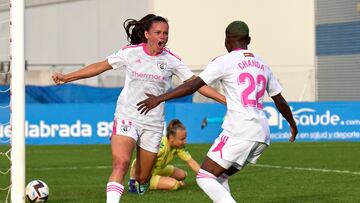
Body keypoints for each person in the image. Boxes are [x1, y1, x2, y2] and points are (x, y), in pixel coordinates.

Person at [51, 14, 226, 203]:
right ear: (146, 34)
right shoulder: (131, 52)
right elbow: (100, 66)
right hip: (128, 116)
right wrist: (67, 77)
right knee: (121, 164)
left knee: (144, 178)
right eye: (158, 32)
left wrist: (225, 100)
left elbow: (197, 84)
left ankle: (139, 179)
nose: (163, 37)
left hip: (153, 123)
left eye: (165, 33)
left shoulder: (172, 60)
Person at [137, 20, 298, 203]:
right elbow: (280, 100)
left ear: (227, 41)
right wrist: (292, 124)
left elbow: (192, 86)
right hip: (262, 134)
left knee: (204, 177)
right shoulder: (261, 63)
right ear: (249, 39)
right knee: (219, 177)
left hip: (240, 130)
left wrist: (159, 98)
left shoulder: (225, 61)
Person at [128, 119, 200, 192]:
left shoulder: (179, 147)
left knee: (183, 175)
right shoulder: (160, 147)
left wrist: (205, 177)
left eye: (185, 138)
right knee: (174, 185)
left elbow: (191, 162)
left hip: (159, 170)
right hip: (146, 176)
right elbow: (137, 162)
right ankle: (142, 183)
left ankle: (161, 179)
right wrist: (133, 181)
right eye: (182, 139)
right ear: (171, 138)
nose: (185, 141)